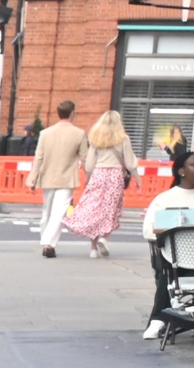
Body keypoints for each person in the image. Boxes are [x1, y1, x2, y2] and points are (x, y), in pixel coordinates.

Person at [142, 148, 194, 338]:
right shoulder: (165, 199)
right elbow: (148, 230)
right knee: (167, 267)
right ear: (182, 171)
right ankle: (159, 319)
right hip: (175, 262)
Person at [62, 109, 140, 257]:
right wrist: (138, 179)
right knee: (110, 209)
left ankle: (93, 249)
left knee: (96, 209)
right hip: (115, 176)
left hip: (99, 174)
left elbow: (90, 164)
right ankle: (104, 238)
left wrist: (88, 178)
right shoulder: (124, 139)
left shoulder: (96, 138)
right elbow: (130, 163)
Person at [32, 99, 86, 258]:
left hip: (47, 176)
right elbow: (85, 157)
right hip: (67, 178)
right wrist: (90, 176)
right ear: (73, 113)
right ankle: (49, 243)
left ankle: (47, 242)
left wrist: (32, 178)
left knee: (47, 211)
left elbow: (38, 158)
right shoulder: (79, 133)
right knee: (59, 213)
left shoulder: (45, 133)